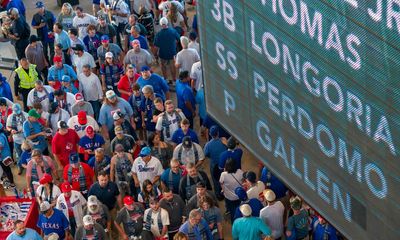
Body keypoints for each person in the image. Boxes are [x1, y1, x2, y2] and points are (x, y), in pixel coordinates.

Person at [153, 17, 180, 84]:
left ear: (160, 24)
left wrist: (155, 54)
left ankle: (165, 79)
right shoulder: (173, 31)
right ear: (167, 23)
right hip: (172, 52)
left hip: (162, 53)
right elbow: (178, 39)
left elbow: (156, 46)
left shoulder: (158, 34)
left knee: (163, 66)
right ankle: (174, 80)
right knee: (172, 66)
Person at [204, 125, 227, 200]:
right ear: (218, 133)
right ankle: (226, 193)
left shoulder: (208, 145)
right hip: (224, 164)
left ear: (210, 134)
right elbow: (228, 148)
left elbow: (206, 154)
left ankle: (219, 196)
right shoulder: (223, 141)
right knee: (225, 179)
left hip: (214, 165)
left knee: (216, 180)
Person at [219, 158, 244, 223]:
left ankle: (234, 222)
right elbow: (243, 181)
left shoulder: (224, 174)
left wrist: (223, 190)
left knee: (232, 210)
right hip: (239, 196)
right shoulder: (240, 171)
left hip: (229, 197)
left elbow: (221, 183)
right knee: (240, 208)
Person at [0, 122, 14, 188]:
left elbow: (0, 147)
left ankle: (12, 183)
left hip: (4, 157)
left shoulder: (1, 137)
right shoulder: (2, 134)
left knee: (7, 170)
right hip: (3, 156)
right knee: (5, 169)